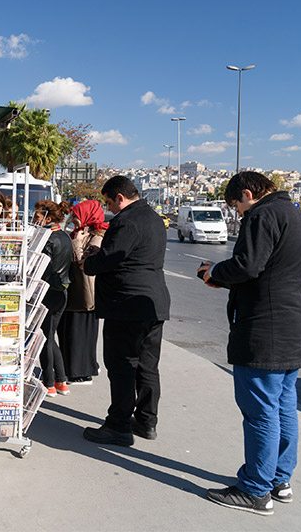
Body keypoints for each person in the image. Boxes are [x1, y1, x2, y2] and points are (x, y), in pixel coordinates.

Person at [199, 172, 301, 516]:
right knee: (283, 407)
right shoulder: (298, 215)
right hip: (295, 325)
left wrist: (215, 274)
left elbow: (248, 265)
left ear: (248, 194)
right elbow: (271, 269)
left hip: (265, 330)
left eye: (236, 206)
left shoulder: (262, 215)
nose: (237, 213)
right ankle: (279, 479)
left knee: (260, 411)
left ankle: (254, 490)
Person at [80, 176, 170, 446]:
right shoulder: (154, 218)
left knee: (121, 365)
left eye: (109, 202)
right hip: (153, 303)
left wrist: (89, 260)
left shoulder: (127, 221)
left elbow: (110, 258)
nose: (110, 208)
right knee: (147, 365)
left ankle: (118, 425)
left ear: (120, 197)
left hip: (126, 305)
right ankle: (146, 420)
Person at [58, 199, 107, 385]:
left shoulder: (98, 235)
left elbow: (84, 263)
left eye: (78, 215)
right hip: (73, 291)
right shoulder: (79, 232)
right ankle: (70, 368)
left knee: (80, 334)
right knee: (69, 331)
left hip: (86, 293)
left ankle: (82, 371)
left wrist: (77, 243)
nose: (75, 218)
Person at [33, 200, 74, 397]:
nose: (34, 220)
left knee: (44, 338)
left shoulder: (47, 239)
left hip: (48, 292)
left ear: (48, 218)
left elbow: (42, 268)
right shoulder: (65, 236)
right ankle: (61, 381)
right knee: (50, 335)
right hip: (61, 292)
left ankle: (49, 382)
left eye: (37, 217)